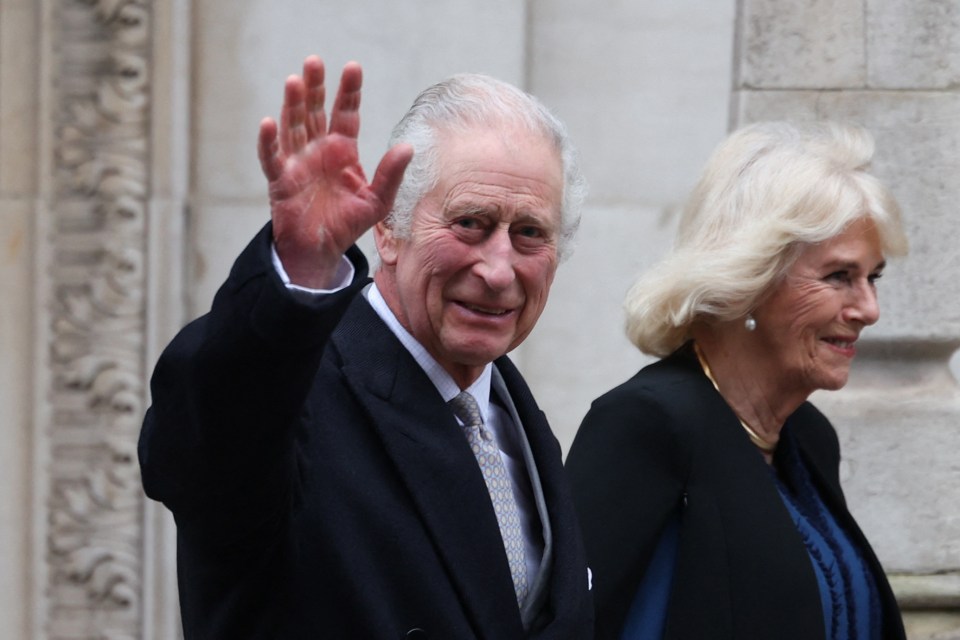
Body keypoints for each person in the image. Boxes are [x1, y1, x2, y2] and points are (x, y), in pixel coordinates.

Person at [138, 55, 593, 639]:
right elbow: (197, 450)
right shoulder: (297, 390)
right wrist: (298, 272)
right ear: (388, 229)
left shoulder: (508, 409)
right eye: (470, 223)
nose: (499, 269)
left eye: (530, 233)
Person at [565, 121, 908, 640]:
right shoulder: (647, 424)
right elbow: (580, 625)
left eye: (872, 277)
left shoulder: (809, 437)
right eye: (839, 276)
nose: (869, 309)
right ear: (749, 278)